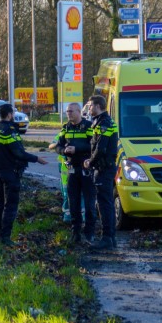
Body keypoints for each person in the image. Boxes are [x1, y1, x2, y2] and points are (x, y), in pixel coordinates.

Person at [0, 103, 48, 246]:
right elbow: (19, 153)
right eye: (12, 113)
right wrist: (37, 159)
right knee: (10, 206)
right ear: (9, 115)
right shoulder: (10, 131)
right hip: (11, 173)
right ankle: (6, 237)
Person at [56, 102, 96, 245]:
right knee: (73, 203)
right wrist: (63, 151)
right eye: (67, 112)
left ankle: (90, 233)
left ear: (79, 111)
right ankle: (75, 233)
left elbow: (92, 145)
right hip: (72, 170)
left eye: (71, 111)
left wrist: (76, 149)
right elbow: (58, 145)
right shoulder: (65, 127)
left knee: (90, 203)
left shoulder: (88, 126)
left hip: (86, 170)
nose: (69, 114)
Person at [84, 95, 119, 250]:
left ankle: (107, 238)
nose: (89, 109)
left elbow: (100, 148)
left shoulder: (103, 123)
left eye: (90, 106)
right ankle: (110, 237)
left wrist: (89, 161)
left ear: (98, 106)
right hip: (105, 167)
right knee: (107, 203)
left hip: (103, 168)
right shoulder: (103, 121)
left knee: (105, 204)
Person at [49, 135, 71, 222]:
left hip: (74, 168)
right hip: (64, 168)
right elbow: (51, 145)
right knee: (66, 194)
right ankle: (67, 216)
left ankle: (81, 217)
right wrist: (59, 144)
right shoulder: (63, 133)